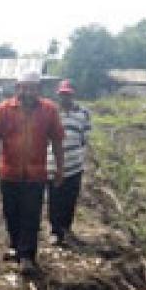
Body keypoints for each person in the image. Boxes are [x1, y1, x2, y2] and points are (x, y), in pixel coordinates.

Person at [0, 71, 65, 276]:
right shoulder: (4, 109)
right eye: (23, 87)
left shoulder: (49, 110)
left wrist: (59, 167)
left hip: (36, 174)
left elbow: (57, 140)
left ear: (38, 90)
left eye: (31, 88)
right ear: (17, 88)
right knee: (11, 213)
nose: (27, 92)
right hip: (9, 172)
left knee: (31, 214)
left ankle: (27, 256)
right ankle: (16, 246)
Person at [47, 79, 91, 246]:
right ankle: (55, 231)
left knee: (70, 199)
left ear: (73, 94)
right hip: (53, 164)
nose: (65, 97)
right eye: (62, 94)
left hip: (75, 165)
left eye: (68, 94)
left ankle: (66, 228)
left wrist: (78, 154)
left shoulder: (83, 113)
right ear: (58, 95)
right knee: (55, 199)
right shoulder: (52, 113)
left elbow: (85, 137)